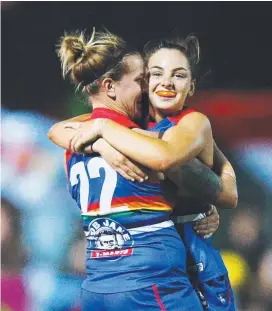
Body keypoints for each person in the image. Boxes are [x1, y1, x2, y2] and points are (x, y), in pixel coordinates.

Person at [50, 30, 238, 310]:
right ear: (111, 87)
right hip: (156, 280)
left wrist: (101, 134)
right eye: (147, 77)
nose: (159, 84)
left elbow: (56, 130)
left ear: (192, 86)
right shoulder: (148, 137)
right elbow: (170, 160)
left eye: (179, 75)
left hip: (98, 283)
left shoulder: (79, 136)